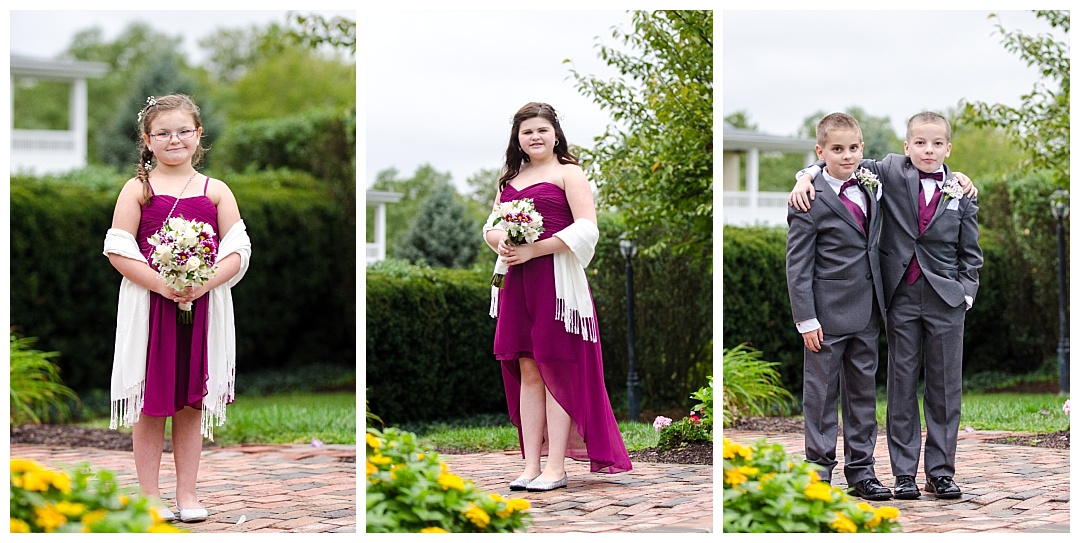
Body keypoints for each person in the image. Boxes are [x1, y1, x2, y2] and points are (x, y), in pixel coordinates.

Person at [789, 111, 983, 500]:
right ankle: (904, 474)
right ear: (906, 146)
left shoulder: (959, 191)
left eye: (938, 143)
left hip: (944, 299)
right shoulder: (888, 172)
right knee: (899, 386)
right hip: (899, 299)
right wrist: (804, 175)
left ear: (949, 147)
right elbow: (836, 159)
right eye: (920, 143)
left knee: (945, 389)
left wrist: (966, 291)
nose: (929, 150)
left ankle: (940, 472)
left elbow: (971, 251)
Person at [103, 93, 252, 522]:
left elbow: (238, 248)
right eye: (163, 133)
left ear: (198, 135)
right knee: (151, 398)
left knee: (191, 400)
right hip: (150, 308)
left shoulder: (217, 191)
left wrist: (200, 283)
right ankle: (150, 496)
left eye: (183, 131)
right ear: (147, 140)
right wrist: (164, 286)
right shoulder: (137, 189)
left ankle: (187, 493)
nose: (174, 139)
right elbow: (117, 247)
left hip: (203, 310)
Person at [484, 102, 631, 492]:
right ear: (518, 137)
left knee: (554, 369)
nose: (535, 137)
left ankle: (555, 468)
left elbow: (587, 230)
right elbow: (490, 227)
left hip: (556, 282)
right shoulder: (509, 179)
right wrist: (504, 243)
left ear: (555, 135)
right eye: (527, 131)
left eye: (542, 130)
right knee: (529, 371)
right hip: (517, 282)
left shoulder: (570, 173)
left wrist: (536, 248)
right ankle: (530, 465)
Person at [785, 112, 893, 500]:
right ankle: (817, 473)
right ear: (820, 151)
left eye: (853, 148)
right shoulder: (808, 200)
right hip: (825, 317)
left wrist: (960, 178)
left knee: (863, 396)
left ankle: (863, 473)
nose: (846, 156)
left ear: (862, 149)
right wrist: (805, 318)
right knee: (821, 396)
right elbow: (797, 265)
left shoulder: (871, 182)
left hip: (868, 312)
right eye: (836, 149)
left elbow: (917, 164)